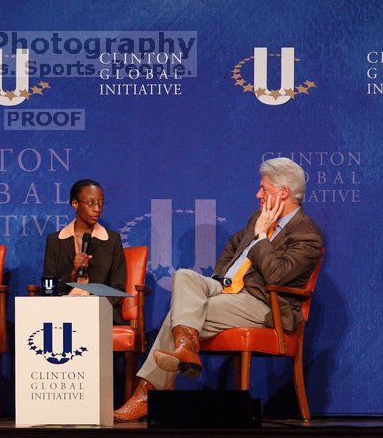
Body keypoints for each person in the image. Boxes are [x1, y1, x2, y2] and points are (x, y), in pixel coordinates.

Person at [114, 158, 324, 422]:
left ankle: (147, 391)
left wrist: (260, 237)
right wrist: (220, 278)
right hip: (228, 291)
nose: (258, 194)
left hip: (262, 304)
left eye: (264, 189)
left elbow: (277, 274)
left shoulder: (306, 235)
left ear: (283, 193)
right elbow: (234, 244)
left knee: (181, 314)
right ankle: (185, 349)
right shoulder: (258, 217)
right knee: (184, 277)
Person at [43, 179, 127, 324]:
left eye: (100, 203)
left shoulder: (112, 240)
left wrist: (94, 305)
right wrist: (73, 273)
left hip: (99, 312)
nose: (97, 209)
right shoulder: (55, 240)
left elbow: (117, 287)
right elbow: (48, 290)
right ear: (75, 204)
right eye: (91, 203)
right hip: (62, 310)